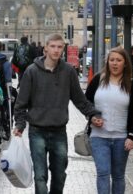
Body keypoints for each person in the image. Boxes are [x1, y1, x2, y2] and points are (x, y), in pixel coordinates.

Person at [14, 34, 103, 194]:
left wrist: (92, 114)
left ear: (63, 49)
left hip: (59, 130)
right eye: (53, 46)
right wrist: (20, 124)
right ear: (45, 48)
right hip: (37, 131)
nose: (56, 50)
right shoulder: (32, 71)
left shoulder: (68, 71)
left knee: (59, 174)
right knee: (40, 176)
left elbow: (79, 99)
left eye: (60, 47)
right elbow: (21, 103)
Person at [85, 47, 133, 194]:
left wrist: (132, 136)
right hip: (98, 137)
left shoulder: (131, 84)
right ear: (107, 62)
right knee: (103, 173)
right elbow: (85, 103)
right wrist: (92, 117)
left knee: (118, 176)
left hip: (121, 139)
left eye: (119, 60)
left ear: (125, 63)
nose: (115, 63)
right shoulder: (98, 80)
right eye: (112, 60)